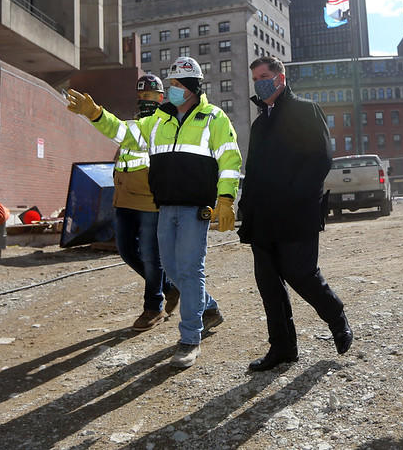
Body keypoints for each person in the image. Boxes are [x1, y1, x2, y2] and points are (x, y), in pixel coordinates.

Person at [66, 56, 242, 368]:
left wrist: (226, 199)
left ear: (189, 87)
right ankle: (209, 307)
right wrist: (94, 114)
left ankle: (190, 338)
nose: (170, 90)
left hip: (195, 208)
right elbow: (124, 133)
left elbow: (230, 160)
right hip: (165, 206)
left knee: (190, 270)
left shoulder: (214, 119)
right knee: (172, 271)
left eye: (175, 85)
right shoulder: (157, 122)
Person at [238, 56, 353, 372]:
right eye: (255, 78)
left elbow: (320, 158)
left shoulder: (305, 110)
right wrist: (245, 209)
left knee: (301, 272)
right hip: (262, 218)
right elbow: (254, 171)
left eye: (264, 76)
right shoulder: (260, 124)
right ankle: (283, 348)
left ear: (281, 78)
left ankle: (336, 315)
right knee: (269, 284)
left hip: (296, 212)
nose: (259, 83)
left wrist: (294, 196)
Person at [113, 74, 179, 332]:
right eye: (142, 96)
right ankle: (168, 288)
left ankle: (153, 307)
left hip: (151, 200)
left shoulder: (165, 124)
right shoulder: (131, 123)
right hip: (124, 196)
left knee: (152, 257)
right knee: (127, 251)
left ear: (161, 98)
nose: (146, 100)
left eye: (151, 96)